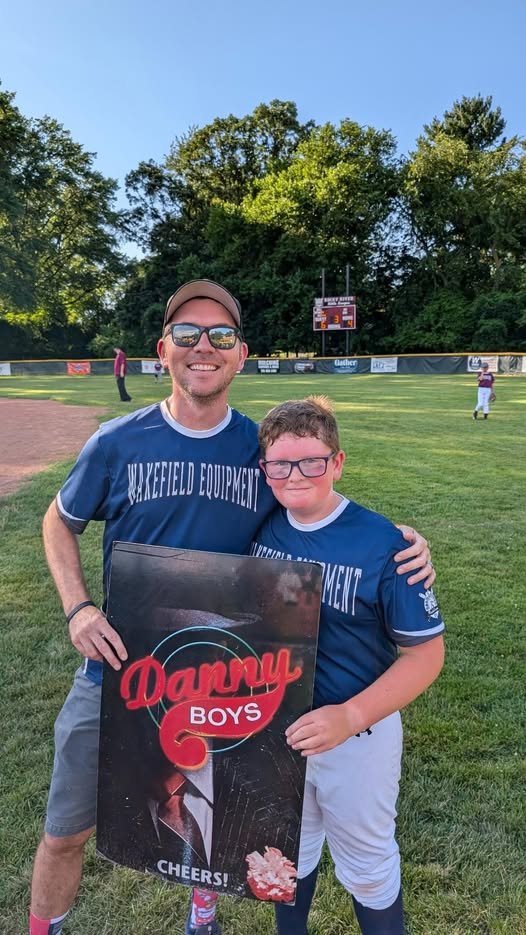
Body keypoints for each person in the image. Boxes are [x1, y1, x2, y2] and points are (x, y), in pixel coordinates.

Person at [30, 280, 435, 935]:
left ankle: (202, 903)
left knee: (210, 816)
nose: (203, 347)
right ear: (163, 349)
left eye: (220, 335)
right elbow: (58, 520)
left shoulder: (261, 452)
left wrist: (404, 545)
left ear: (240, 354)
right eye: (187, 334)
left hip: (222, 675)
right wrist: (77, 607)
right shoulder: (116, 441)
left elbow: (320, 513)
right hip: (118, 666)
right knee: (66, 827)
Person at [251, 396, 445, 935]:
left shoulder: (384, 544)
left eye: (312, 461)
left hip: (357, 733)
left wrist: (350, 716)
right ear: (264, 469)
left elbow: (426, 654)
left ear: (337, 462)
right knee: (288, 849)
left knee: (367, 862)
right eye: (280, 464)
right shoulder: (264, 526)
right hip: (279, 724)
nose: (295, 476)